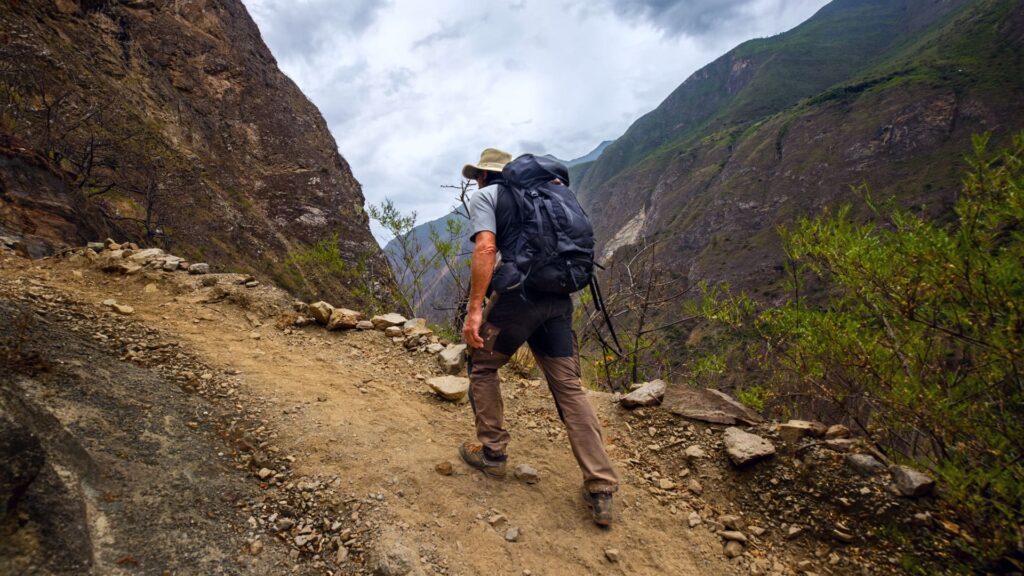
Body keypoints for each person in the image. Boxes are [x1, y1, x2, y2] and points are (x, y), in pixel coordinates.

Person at [458, 148, 620, 527]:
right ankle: (601, 486)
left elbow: (485, 247)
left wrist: (475, 309)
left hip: (517, 301)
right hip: (559, 299)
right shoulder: (547, 196)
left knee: (482, 365)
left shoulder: (487, 196)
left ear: (483, 175)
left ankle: (493, 454)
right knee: (569, 389)